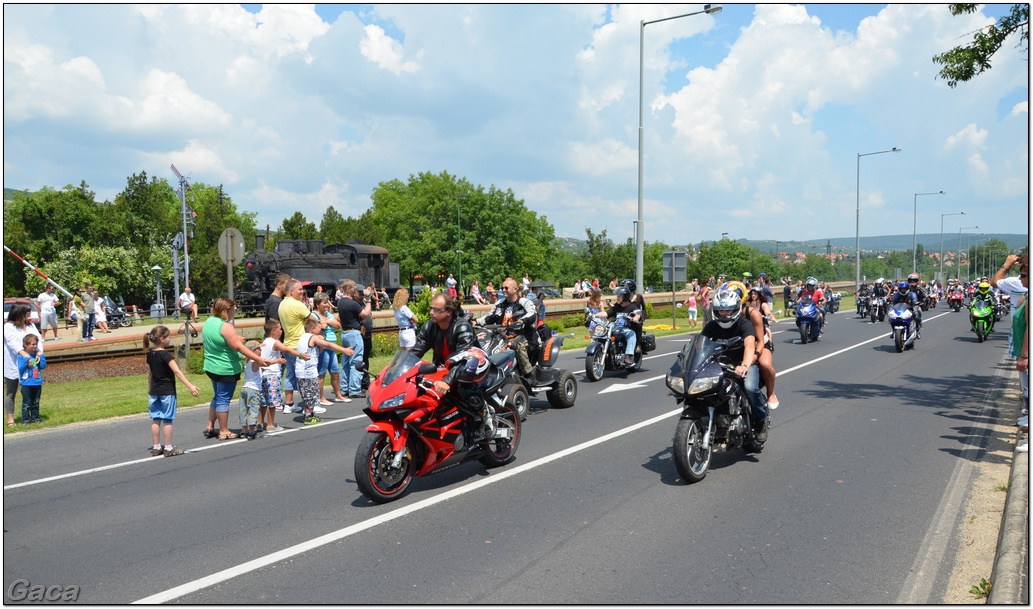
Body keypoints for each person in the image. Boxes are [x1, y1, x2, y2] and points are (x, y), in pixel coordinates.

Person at [702, 288, 768, 441]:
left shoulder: (744, 324)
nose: (724, 314)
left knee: (751, 388)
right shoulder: (712, 326)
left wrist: (744, 365)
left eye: (728, 310)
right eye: (721, 310)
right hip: (719, 365)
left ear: (736, 309)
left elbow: (750, 346)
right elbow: (700, 345)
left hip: (743, 364)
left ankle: (760, 420)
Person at [202, 297, 271, 440]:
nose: (235, 311)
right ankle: (223, 431)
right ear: (227, 310)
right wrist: (257, 358)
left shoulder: (209, 322)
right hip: (224, 367)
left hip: (211, 365)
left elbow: (221, 340)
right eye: (233, 309)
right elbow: (237, 347)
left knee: (217, 396)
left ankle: (210, 425)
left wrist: (235, 338)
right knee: (223, 400)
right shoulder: (226, 326)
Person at [143, 325, 199, 456]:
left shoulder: (150, 354)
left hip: (154, 391)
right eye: (168, 337)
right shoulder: (166, 355)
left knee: (156, 419)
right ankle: (168, 448)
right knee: (167, 419)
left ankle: (156, 447)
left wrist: (149, 387)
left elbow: (150, 373)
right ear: (162, 339)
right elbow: (177, 371)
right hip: (167, 391)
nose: (170, 339)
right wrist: (190, 386)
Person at [296, 316, 355, 425]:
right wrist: (344, 350)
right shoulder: (312, 337)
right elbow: (328, 345)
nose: (321, 329)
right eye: (319, 328)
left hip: (304, 371)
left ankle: (309, 414)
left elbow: (319, 351)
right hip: (307, 372)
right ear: (313, 329)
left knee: (310, 393)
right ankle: (308, 416)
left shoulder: (304, 337)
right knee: (310, 393)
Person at [474, 277, 539, 375]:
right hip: (503, 335)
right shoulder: (499, 303)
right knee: (483, 344)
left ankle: (528, 374)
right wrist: (475, 322)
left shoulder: (524, 302)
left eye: (506, 288)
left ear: (515, 289)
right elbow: (489, 317)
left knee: (518, 345)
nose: (503, 290)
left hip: (524, 335)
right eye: (502, 288)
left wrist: (522, 321)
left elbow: (532, 313)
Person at [257, 318, 302, 432]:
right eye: (280, 329)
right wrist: (300, 354)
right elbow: (286, 349)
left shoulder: (264, 341)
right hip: (272, 374)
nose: (281, 331)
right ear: (273, 330)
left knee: (263, 401)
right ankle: (270, 424)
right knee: (272, 401)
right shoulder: (275, 342)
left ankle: (260, 422)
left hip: (263, 374)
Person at [5, 302, 43, 427]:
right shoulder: (8, 326)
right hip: (14, 362)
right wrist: (23, 353)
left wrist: (39, 352)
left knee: (30, 391)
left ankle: (32, 416)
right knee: (11, 391)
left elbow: (38, 338)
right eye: (26, 313)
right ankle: (10, 419)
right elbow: (12, 343)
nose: (28, 315)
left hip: (31, 364)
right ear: (19, 313)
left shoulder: (30, 325)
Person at [278, 278, 312, 413]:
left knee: (290, 374)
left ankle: (289, 404)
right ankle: (307, 405)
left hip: (288, 343)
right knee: (303, 375)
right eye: (299, 289)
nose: (302, 292)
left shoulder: (282, 304)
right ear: (291, 291)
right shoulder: (297, 304)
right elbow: (312, 318)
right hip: (299, 344)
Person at [744, 286, 779, 409]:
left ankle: (771, 393)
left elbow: (768, 312)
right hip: (743, 344)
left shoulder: (760, 306)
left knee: (765, 364)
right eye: (751, 294)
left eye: (755, 294)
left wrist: (772, 317)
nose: (753, 296)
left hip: (760, 338)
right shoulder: (728, 315)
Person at [590, 286, 642, 366]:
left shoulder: (632, 306)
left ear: (625, 296)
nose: (617, 297)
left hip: (625, 329)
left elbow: (637, 313)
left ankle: (628, 356)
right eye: (617, 295)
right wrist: (594, 315)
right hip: (614, 327)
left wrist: (635, 318)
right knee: (602, 331)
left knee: (632, 334)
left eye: (619, 296)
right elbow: (606, 313)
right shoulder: (617, 306)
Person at [337, 280, 371, 398]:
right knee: (356, 361)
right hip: (354, 334)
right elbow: (366, 314)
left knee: (346, 362)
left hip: (345, 333)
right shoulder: (353, 304)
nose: (355, 290)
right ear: (347, 289)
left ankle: (344, 388)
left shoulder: (340, 302)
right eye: (353, 288)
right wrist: (368, 300)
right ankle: (354, 389)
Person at [310, 292, 346, 405]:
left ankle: (338, 395)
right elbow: (315, 327)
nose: (327, 305)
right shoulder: (313, 315)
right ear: (317, 304)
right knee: (321, 373)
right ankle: (321, 397)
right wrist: (323, 324)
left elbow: (338, 325)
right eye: (324, 303)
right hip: (322, 347)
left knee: (335, 372)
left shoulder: (328, 315)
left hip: (332, 346)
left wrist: (327, 321)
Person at [238, 340, 266, 440]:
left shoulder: (247, 361)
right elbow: (267, 363)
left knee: (243, 410)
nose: (261, 350)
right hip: (254, 389)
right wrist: (278, 361)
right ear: (253, 351)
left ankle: (244, 431)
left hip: (244, 388)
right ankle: (251, 432)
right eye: (259, 348)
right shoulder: (256, 361)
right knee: (253, 409)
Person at [17, 333, 46, 424]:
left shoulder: (36, 355)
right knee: (27, 403)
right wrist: (26, 359)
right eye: (32, 344)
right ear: (26, 345)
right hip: (26, 383)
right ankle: (25, 420)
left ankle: (36, 418)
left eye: (36, 344)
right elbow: (21, 369)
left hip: (37, 382)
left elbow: (43, 366)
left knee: (36, 402)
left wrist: (41, 356)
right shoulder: (21, 356)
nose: (35, 346)